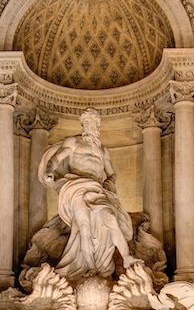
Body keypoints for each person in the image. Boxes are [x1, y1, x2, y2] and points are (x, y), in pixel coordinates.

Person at [38, 108, 137, 280]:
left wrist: (110, 182)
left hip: (97, 189)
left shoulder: (103, 150)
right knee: (83, 227)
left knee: (111, 218)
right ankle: (90, 268)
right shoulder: (73, 142)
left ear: (98, 125)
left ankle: (127, 257)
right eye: (87, 122)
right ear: (83, 124)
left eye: (94, 122)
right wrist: (49, 170)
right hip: (76, 187)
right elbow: (56, 159)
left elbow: (112, 173)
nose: (90, 125)